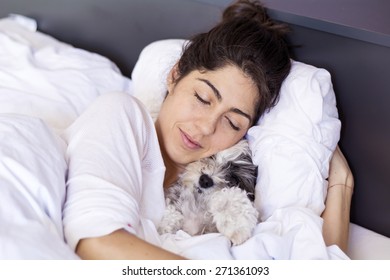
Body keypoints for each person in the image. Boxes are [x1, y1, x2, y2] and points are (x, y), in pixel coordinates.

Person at [62, 0, 354, 259]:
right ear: (175, 76)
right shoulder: (120, 113)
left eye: (232, 122)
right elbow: (97, 243)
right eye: (202, 98)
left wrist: (341, 187)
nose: (205, 128)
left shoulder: (228, 212)